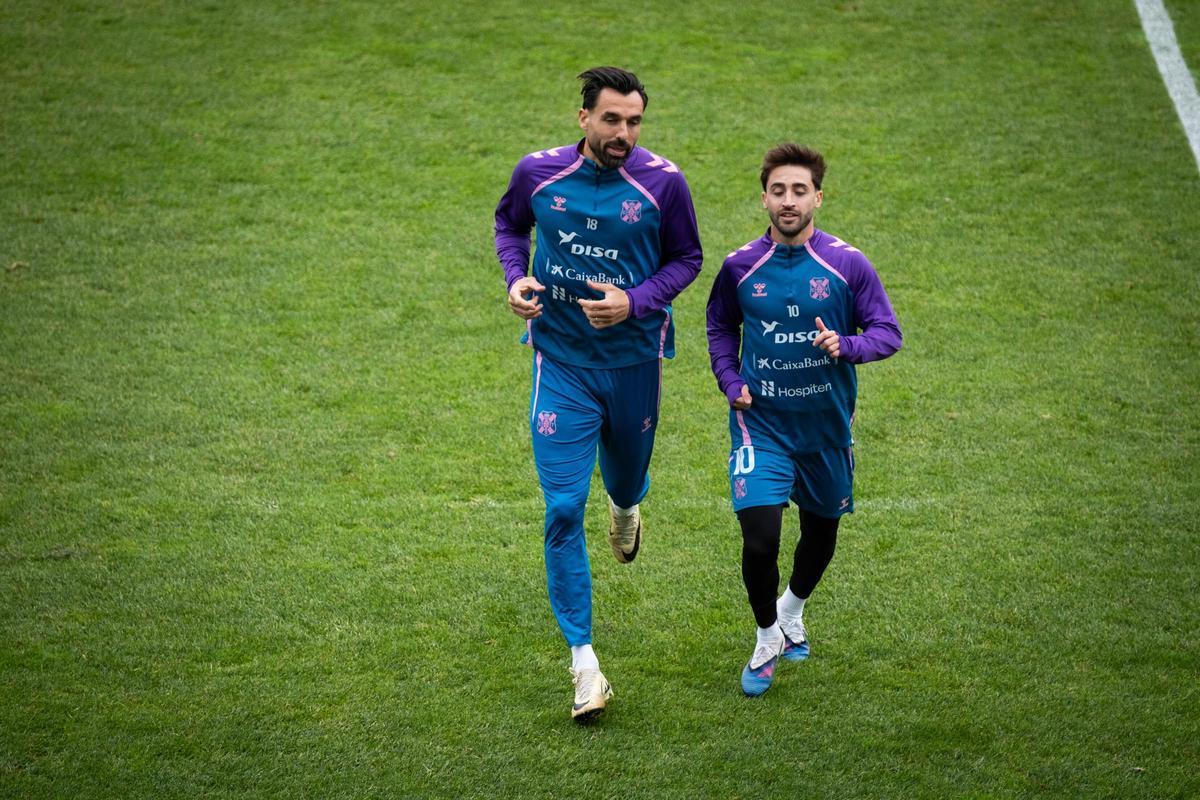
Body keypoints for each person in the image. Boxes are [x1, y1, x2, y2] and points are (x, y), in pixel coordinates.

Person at [494, 67, 702, 720]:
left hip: (634, 363)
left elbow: (688, 259)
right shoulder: (538, 174)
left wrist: (634, 301)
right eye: (612, 119)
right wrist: (516, 278)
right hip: (560, 362)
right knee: (562, 507)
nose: (623, 133)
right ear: (583, 117)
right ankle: (584, 664)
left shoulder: (664, 183)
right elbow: (510, 227)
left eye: (634, 122)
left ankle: (626, 506)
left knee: (627, 480)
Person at [705, 143, 902, 697]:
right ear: (764, 198)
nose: (788, 201)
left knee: (820, 535)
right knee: (760, 539)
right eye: (778, 191)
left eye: (799, 190)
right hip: (760, 425)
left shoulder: (848, 264)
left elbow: (888, 333)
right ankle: (767, 635)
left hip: (825, 428)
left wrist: (847, 345)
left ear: (818, 197)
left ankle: (792, 609)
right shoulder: (740, 267)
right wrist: (730, 380)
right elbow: (720, 326)